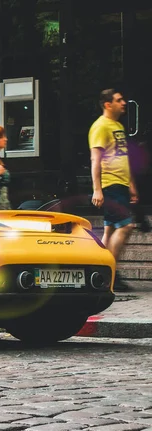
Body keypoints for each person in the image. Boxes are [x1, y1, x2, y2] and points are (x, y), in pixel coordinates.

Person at [89, 89, 137, 291]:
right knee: (126, 226)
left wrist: (132, 185)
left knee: (109, 230)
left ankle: (99, 273)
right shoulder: (100, 127)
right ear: (108, 104)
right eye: (119, 100)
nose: (124, 102)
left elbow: (123, 157)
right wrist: (97, 189)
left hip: (121, 184)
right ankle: (110, 275)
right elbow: (95, 159)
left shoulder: (117, 125)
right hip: (110, 185)